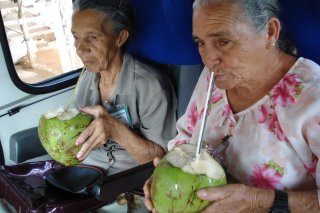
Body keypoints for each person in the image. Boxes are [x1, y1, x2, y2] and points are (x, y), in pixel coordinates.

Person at [143, 0, 320, 212]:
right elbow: (186, 136)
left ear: (270, 32)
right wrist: (167, 179)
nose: (209, 60)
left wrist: (261, 201)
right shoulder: (213, 79)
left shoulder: (313, 99)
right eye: (201, 42)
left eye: (224, 41)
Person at [38, 0, 176, 175]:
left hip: (126, 184)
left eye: (93, 37)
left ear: (120, 38)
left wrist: (115, 129)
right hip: (85, 175)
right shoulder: (86, 79)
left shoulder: (151, 87)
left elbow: (161, 161)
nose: (80, 49)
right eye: (76, 37)